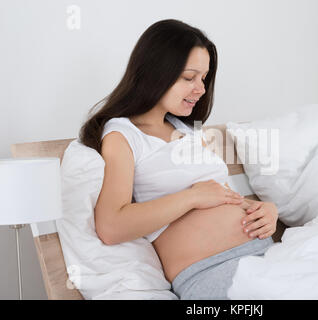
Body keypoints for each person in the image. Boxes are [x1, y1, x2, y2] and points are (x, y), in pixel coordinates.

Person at [79, 19, 278, 300]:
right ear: (155, 72)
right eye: (189, 77)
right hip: (213, 271)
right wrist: (191, 197)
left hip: (264, 255)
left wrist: (264, 209)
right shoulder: (123, 136)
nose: (201, 89)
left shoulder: (184, 130)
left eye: (204, 78)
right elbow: (112, 226)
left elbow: (218, 195)